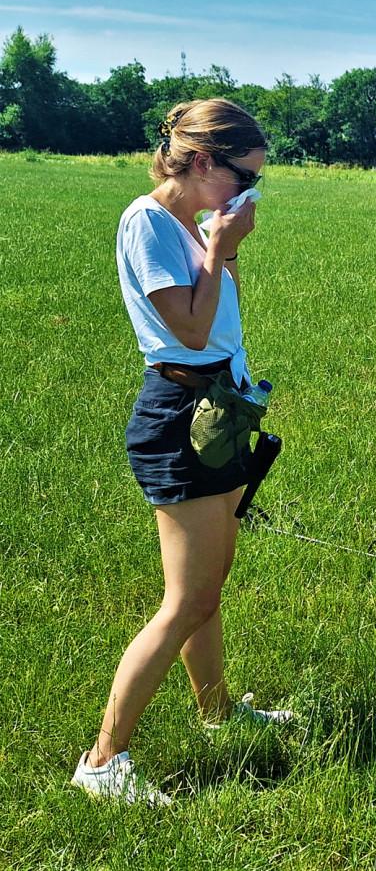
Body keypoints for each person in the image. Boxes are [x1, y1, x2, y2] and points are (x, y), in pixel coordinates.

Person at [73, 99, 292, 806]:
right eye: (244, 179)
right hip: (179, 415)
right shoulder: (148, 223)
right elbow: (191, 333)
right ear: (201, 161)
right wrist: (222, 248)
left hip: (218, 410)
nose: (249, 195)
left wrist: (221, 246)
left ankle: (218, 710)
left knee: (208, 586)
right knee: (185, 599)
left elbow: (220, 315)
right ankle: (103, 761)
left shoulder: (195, 225)